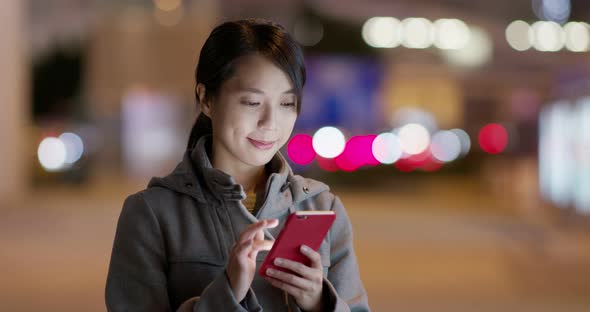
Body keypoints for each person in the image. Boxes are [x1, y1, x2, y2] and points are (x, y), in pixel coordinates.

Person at [105, 18, 370, 312]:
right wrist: (225, 294)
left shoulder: (321, 207)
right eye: (252, 103)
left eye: (286, 104)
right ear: (206, 99)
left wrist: (321, 302)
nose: (271, 123)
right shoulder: (153, 214)